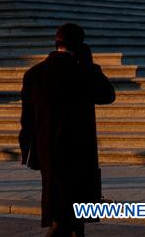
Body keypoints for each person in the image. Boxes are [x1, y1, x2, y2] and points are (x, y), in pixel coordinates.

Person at [19, 22, 115, 237]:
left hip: (48, 152)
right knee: (72, 221)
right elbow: (108, 95)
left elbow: (26, 119)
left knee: (58, 216)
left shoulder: (33, 74)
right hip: (79, 152)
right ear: (79, 46)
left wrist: (26, 150)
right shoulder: (83, 72)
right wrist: (90, 66)